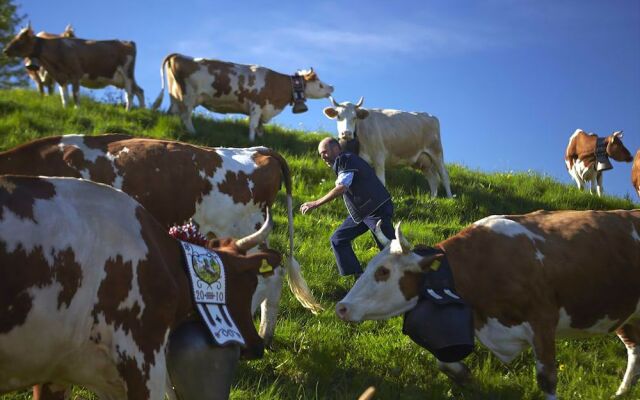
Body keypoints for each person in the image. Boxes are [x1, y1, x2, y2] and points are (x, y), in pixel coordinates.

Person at [300, 137, 395, 277]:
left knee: (392, 252)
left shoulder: (344, 159)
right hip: (362, 213)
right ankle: (356, 277)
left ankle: (412, 279)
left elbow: (342, 187)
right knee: (338, 239)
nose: (323, 157)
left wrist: (315, 203)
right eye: (321, 154)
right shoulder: (346, 160)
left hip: (376, 210)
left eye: (324, 152)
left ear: (336, 148)